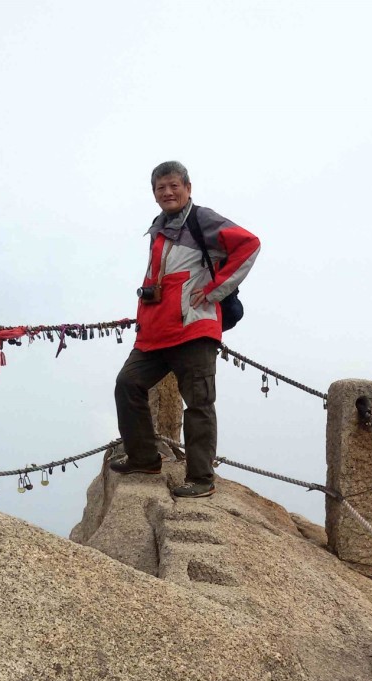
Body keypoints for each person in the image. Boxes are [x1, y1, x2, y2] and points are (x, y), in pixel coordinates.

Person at [111, 161, 260, 498]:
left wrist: (214, 290)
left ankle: (201, 478)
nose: (168, 192)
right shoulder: (158, 226)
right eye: (161, 188)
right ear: (154, 194)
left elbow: (249, 244)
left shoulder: (202, 219)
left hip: (194, 326)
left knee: (198, 403)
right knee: (127, 384)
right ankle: (145, 458)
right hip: (155, 330)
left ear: (188, 188)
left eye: (174, 185)